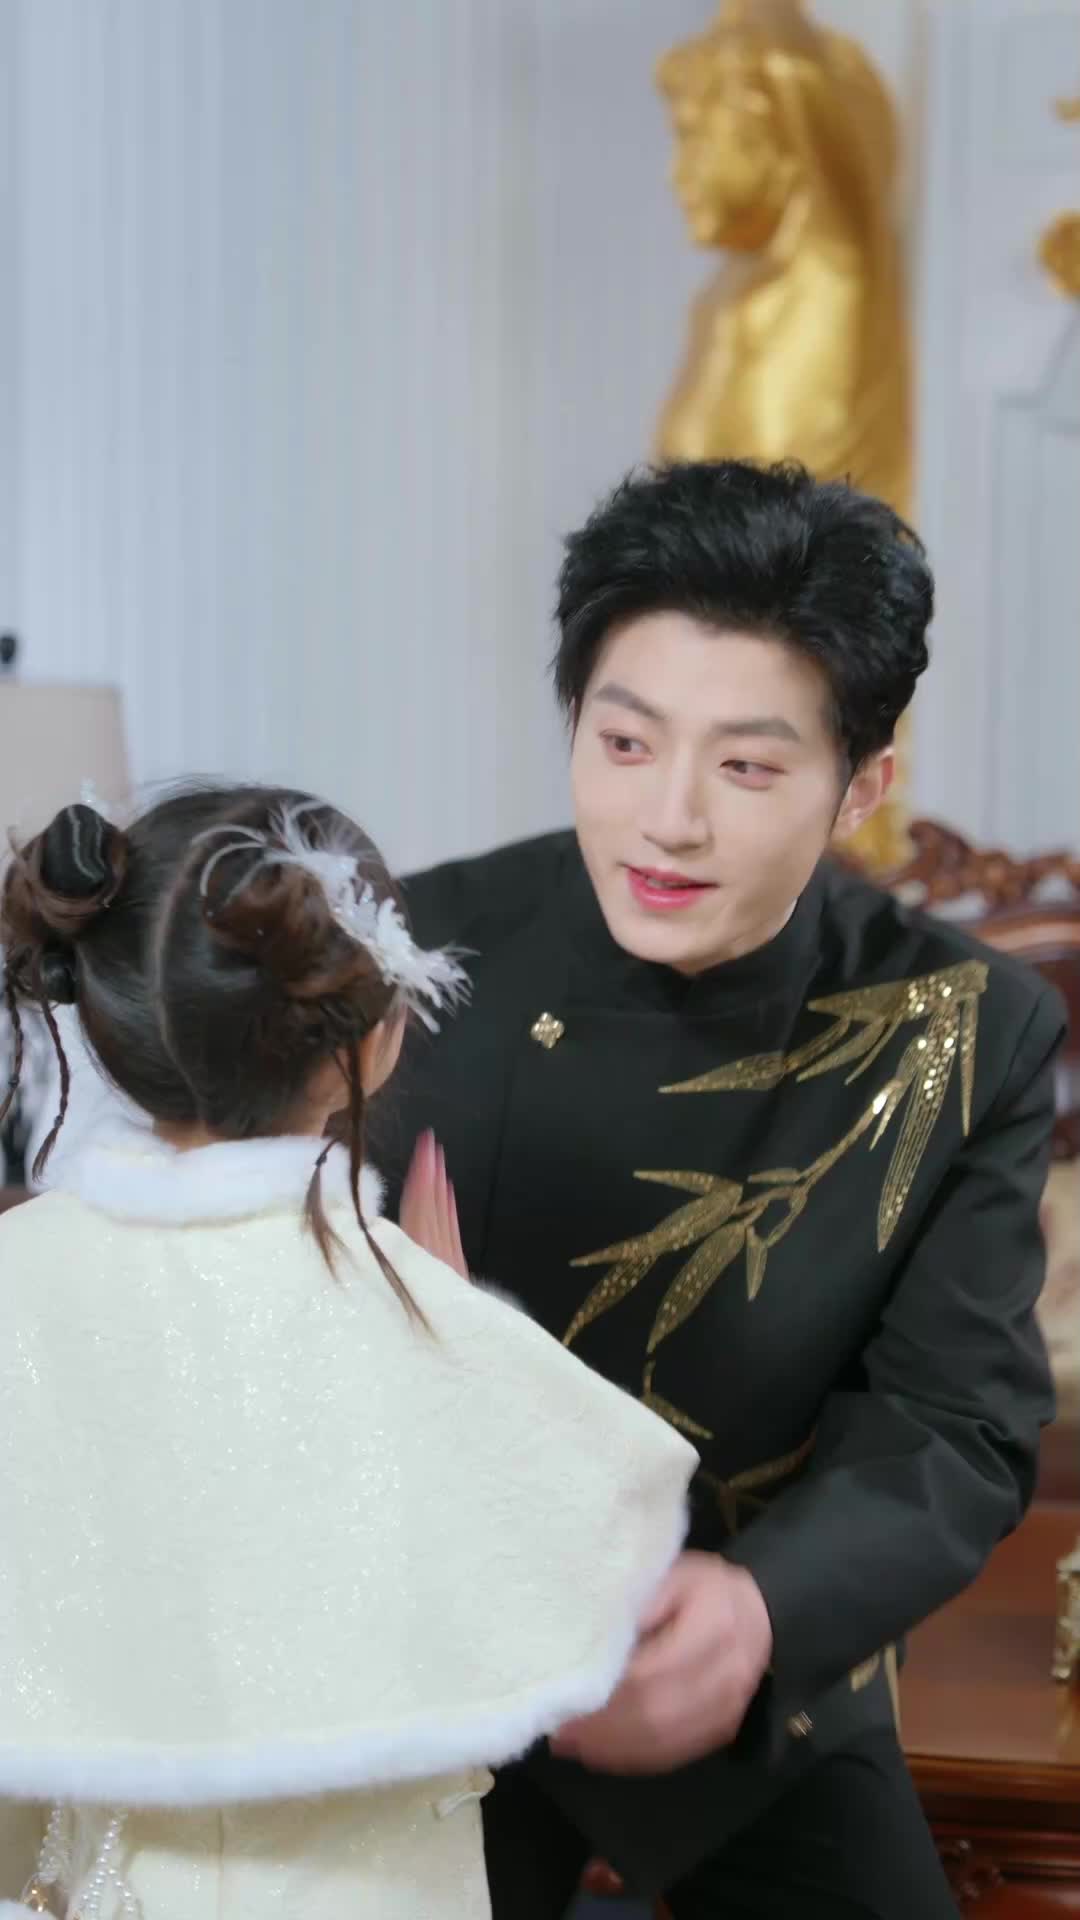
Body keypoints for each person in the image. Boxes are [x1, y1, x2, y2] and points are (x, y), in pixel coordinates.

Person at [378, 460, 1065, 1919]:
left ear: (862, 786)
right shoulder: (417, 955)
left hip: (742, 1647)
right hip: (411, 1650)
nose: (667, 820)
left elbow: (955, 1418)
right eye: (625, 744)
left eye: (747, 768)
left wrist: (763, 1609)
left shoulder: (960, 1030)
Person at [0, 786, 696, 1919]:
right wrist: (455, 1330)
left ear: (110, 1026)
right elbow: (599, 1559)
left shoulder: (19, 1275)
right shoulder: (414, 1317)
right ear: (372, 1041)